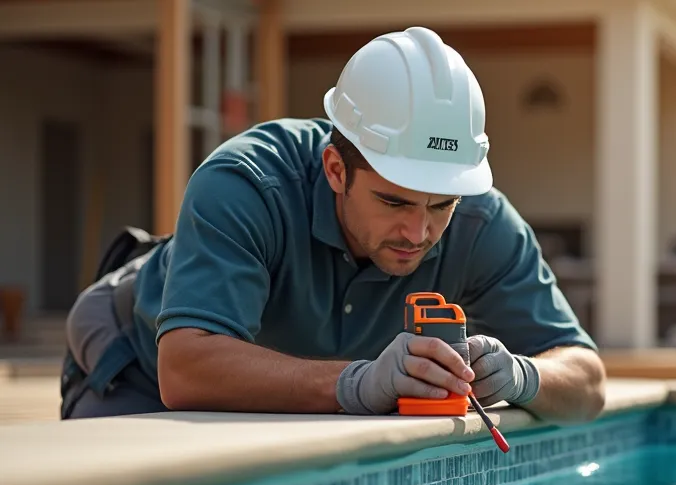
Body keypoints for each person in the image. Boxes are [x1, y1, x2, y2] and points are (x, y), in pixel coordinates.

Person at [60, 26, 605, 422]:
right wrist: (357, 382)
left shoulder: (482, 218)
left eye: (441, 206)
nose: (419, 233)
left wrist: (521, 377)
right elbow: (185, 369)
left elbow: (587, 379)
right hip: (134, 365)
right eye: (395, 203)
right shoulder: (245, 182)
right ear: (336, 169)